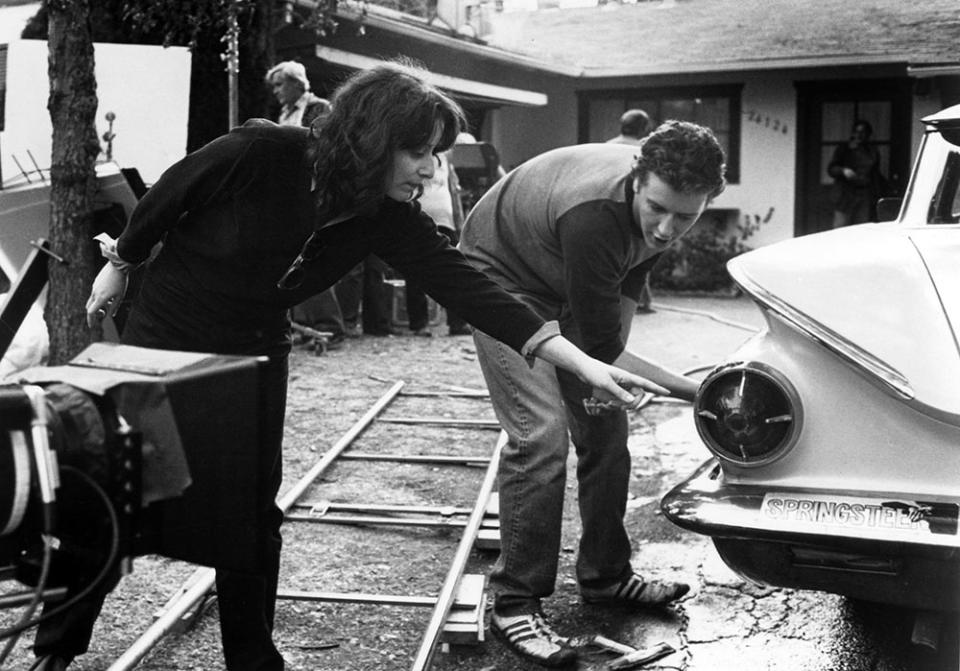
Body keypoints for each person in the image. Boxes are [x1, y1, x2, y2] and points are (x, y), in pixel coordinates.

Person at [59, 61, 665, 671]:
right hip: (168, 334)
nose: (430, 169)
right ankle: (58, 646)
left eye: (434, 154)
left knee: (248, 505)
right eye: (418, 152)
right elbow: (168, 195)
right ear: (373, 139)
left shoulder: (385, 215)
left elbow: (470, 289)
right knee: (121, 486)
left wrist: (579, 362)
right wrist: (123, 262)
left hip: (254, 349)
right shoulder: (260, 150)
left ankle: (252, 657)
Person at [459, 120, 726, 668]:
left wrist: (648, 385)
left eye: (686, 216)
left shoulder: (656, 218)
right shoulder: (596, 218)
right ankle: (514, 601)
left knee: (606, 424)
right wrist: (701, 390)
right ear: (636, 177)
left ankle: (606, 577)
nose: (666, 228)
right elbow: (605, 354)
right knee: (542, 436)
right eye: (657, 208)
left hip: (554, 277)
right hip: (499, 281)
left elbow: (610, 343)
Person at [265, 60, 346, 346]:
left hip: (316, 190)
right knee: (291, 255)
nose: (275, 91)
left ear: (297, 83)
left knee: (311, 254)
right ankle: (308, 326)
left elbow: (327, 149)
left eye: (279, 84)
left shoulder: (319, 108)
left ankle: (330, 325)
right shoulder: (285, 112)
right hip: (289, 192)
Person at [403, 149, 471, 336]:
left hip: (445, 219)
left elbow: (453, 189)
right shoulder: (415, 154)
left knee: (454, 271)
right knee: (416, 271)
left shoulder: (446, 158)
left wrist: (459, 220)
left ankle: (457, 322)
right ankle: (419, 323)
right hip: (419, 217)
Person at [607, 108, 655, 312]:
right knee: (638, 258)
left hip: (607, 207)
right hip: (634, 210)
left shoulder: (607, 146)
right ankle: (642, 302)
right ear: (643, 128)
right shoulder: (645, 149)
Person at [827, 119, 888, 228]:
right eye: (857, 132)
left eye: (863, 132)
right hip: (845, 196)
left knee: (861, 229)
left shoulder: (873, 151)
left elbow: (875, 174)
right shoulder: (844, 149)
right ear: (853, 133)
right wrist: (843, 171)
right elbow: (831, 169)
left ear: (868, 134)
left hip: (864, 196)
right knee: (840, 230)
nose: (859, 135)